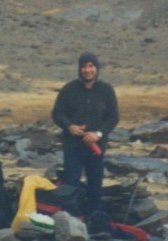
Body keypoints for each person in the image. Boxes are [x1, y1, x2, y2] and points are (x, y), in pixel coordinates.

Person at [51, 52, 119, 217]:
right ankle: (70, 223)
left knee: (95, 187)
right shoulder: (69, 89)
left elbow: (113, 117)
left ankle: (94, 221)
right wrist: (70, 127)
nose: (87, 70)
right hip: (73, 146)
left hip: (96, 148)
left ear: (96, 68)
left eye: (91, 66)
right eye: (84, 66)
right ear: (79, 69)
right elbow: (57, 113)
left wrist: (98, 134)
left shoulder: (106, 90)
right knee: (70, 186)